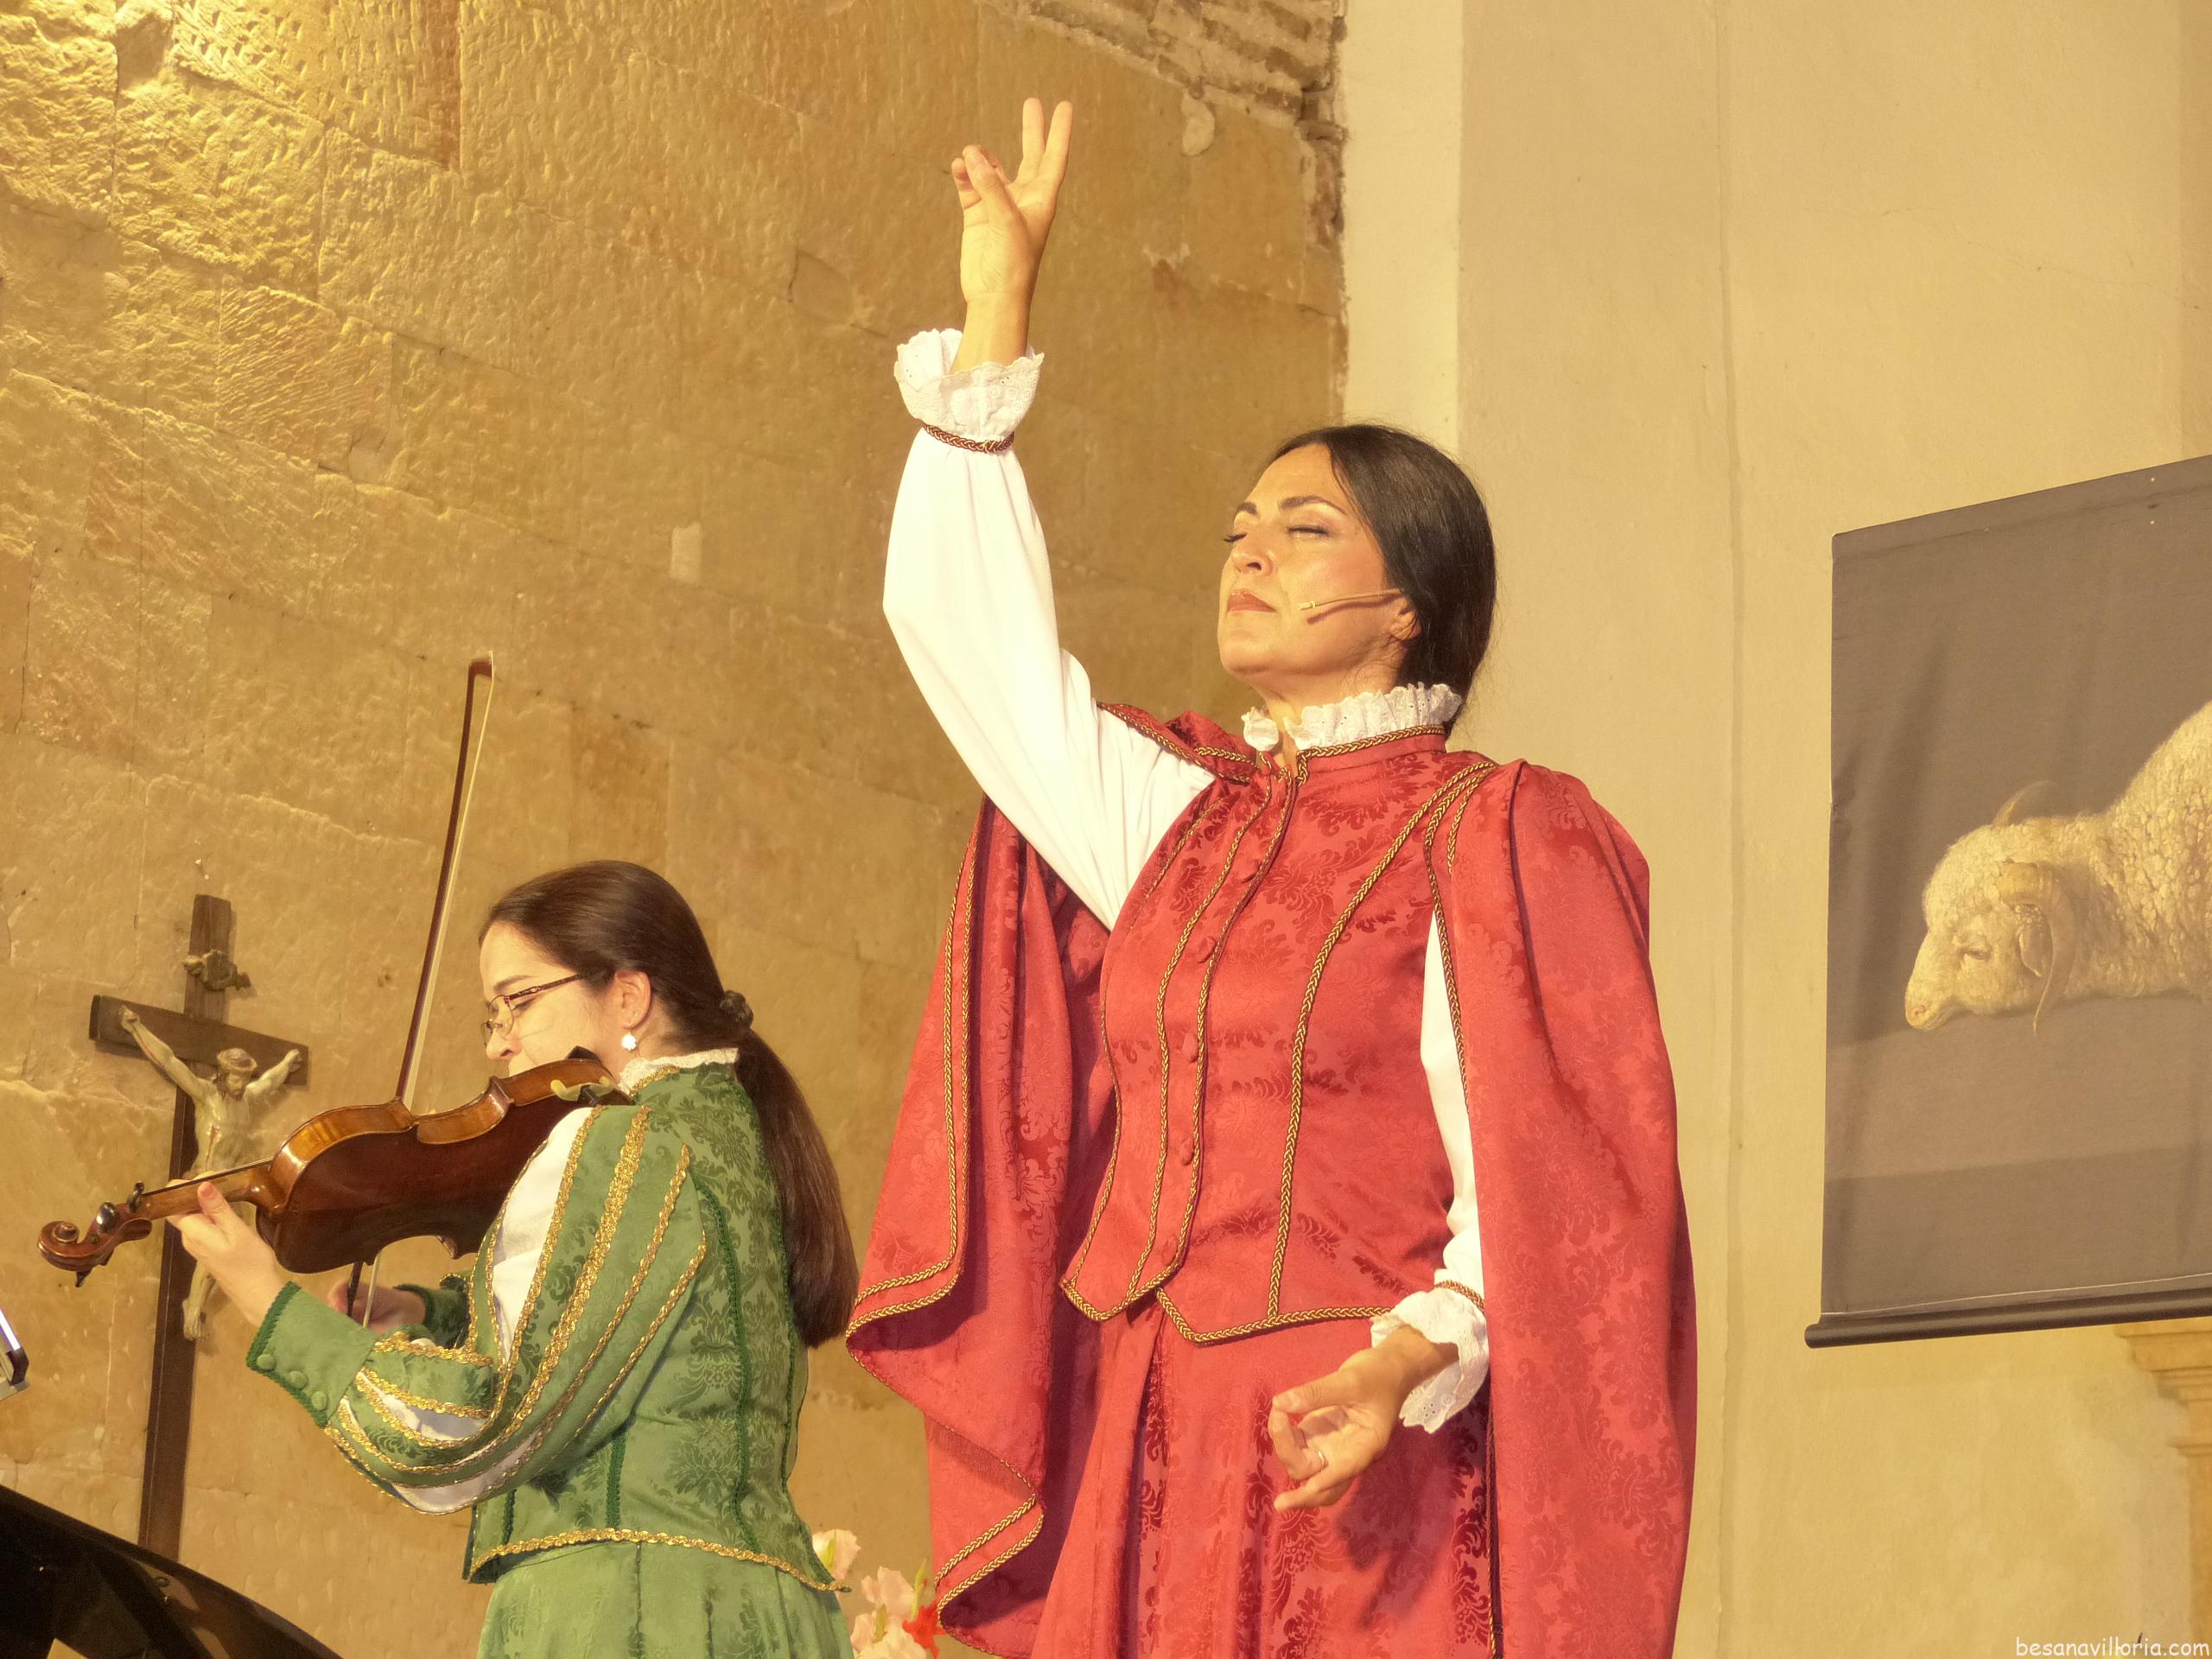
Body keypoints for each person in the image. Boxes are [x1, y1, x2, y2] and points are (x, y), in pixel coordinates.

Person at [847, 99, 1697, 1658]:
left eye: (1307, 532)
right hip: (1152, 1440)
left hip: (1354, 1444)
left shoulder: (1495, 835)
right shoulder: (1178, 816)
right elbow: (976, 654)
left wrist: (1405, 1364)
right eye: (1243, 528)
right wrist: (995, 321)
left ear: (1410, 603)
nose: (1249, 554)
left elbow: (1550, 1200)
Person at [172, 860, 856, 1658]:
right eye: (490, 1015)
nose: (500, 1043)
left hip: (630, 1611)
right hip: (766, 1612)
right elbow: (641, 1329)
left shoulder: (621, 1139)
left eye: (519, 1000)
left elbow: (483, 1422)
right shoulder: (737, 1133)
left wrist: (268, 1301)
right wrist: (434, 1312)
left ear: (628, 996)